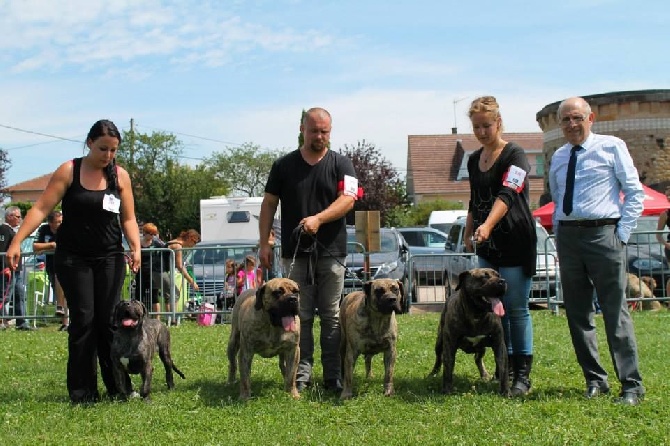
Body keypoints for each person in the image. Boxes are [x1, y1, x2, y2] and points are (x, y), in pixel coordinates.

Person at [5, 119, 142, 404]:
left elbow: (128, 217)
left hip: (110, 256)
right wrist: (17, 241)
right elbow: (42, 208)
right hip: (74, 258)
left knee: (109, 323)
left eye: (113, 150)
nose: (108, 155)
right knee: (84, 321)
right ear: (89, 143)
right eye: (103, 148)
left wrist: (136, 247)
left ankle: (118, 387)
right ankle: (83, 392)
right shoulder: (69, 170)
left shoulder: (120, 176)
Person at [548, 97, 645, 406]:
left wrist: (621, 235)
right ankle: (595, 380)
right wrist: (559, 234)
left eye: (577, 118)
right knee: (577, 314)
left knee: (615, 314)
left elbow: (634, 192)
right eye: (565, 120)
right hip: (569, 239)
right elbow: (557, 196)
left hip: (605, 236)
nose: (572, 124)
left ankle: (631, 385)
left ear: (591, 119)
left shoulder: (611, 146)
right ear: (560, 124)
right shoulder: (559, 156)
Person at [259, 107, 360, 394]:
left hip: (332, 253)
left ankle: (333, 375)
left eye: (324, 131)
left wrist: (318, 219)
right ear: (302, 129)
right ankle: (300, 374)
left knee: (331, 316)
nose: (319, 136)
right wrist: (264, 239)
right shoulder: (283, 165)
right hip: (295, 252)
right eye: (314, 130)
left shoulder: (342, 164)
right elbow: (268, 203)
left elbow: (348, 200)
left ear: (331, 131)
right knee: (299, 316)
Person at [463, 96, 537, 396]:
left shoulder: (515, 154)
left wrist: (488, 225)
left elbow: (508, 194)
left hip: (515, 240)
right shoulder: (472, 159)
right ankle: (503, 368)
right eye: (477, 127)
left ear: (499, 122)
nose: (482, 132)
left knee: (516, 308)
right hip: (486, 243)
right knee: (495, 309)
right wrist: (470, 231)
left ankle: (522, 375)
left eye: (487, 126)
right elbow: (473, 200)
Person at [33, 210, 69, 331]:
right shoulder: (44, 230)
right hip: (51, 266)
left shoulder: (66, 228)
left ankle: (66, 320)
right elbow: (35, 246)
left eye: (61, 221)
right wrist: (52, 245)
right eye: (57, 222)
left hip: (66, 264)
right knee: (61, 292)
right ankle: (65, 321)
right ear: (50, 223)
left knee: (67, 293)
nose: (60, 224)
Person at [0, 206, 34, 331]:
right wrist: (6, 267)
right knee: (4, 296)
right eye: (18, 217)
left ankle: (22, 322)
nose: (20, 219)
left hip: (17, 269)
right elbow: (2, 250)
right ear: (9, 217)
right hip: (8, 269)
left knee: (20, 295)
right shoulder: (4, 229)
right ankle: (1, 321)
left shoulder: (12, 231)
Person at [135, 223, 172, 320]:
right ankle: (140, 317)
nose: (152, 236)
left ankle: (157, 319)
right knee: (139, 296)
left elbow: (167, 249)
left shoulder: (157, 243)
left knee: (154, 296)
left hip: (153, 273)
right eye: (150, 233)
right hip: (141, 272)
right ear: (144, 233)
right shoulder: (138, 243)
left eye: (154, 234)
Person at [165, 229, 200, 323]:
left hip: (160, 271)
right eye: (194, 242)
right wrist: (192, 282)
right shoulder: (177, 246)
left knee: (170, 294)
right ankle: (172, 319)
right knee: (174, 294)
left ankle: (171, 318)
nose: (194, 245)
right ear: (190, 238)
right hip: (160, 271)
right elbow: (180, 266)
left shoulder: (174, 243)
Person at [655, 187, 670, 262]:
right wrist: (666, 244)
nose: (668, 197)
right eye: (667, 195)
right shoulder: (664, 214)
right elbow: (658, 235)